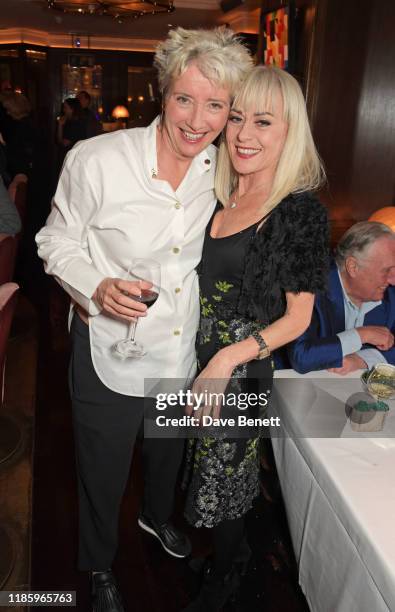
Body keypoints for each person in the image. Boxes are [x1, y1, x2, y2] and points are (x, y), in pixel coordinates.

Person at [36, 27, 252, 612]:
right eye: (185, 99)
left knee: (166, 453)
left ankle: (156, 519)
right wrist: (96, 287)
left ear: (230, 111)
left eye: (216, 105)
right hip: (109, 344)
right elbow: (55, 241)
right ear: (164, 94)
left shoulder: (228, 169)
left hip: (180, 350)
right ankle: (99, 561)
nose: (197, 119)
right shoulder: (98, 159)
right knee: (102, 470)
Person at [182, 65, 329, 611]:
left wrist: (226, 359)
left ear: (290, 132)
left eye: (263, 122)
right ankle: (233, 551)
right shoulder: (214, 194)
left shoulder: (298, 213)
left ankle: (226, 577)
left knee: (223, 480)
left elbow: (298, 320)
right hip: (192, 360)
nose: (243, 134)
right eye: (237, 117)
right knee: (198, 464)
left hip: (240, 370)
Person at [288, 221, 395, 375]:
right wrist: (361, 335)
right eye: (386, 270)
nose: (393, 280)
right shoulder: (309, 287)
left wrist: (361, 360)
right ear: (353, 267)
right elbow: (301, 356)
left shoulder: (390, 294)